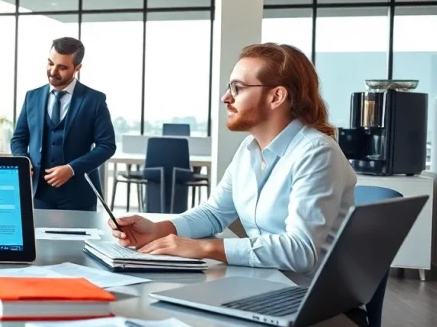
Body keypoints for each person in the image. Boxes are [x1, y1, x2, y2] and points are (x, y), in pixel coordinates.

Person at [110, 43, 356, 274]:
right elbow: (214, 213)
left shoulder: (316, 153)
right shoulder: (249, 148)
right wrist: (158, 230)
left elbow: (301, 252)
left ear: (276, 96)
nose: (226, 97)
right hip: (260, 277)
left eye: (237, 88)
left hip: (300, 293)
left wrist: (206, 249)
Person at [11, 37, 116, 211]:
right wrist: (23, 160)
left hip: (79, 194)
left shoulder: (94, 100)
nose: (53, 71)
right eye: (50, 63)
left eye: (62, 67)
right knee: (38, 239)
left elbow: (107, 145)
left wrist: (71, 169)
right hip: (38, 193)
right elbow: (18, 139)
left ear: (78, 68)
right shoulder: (32, 96)